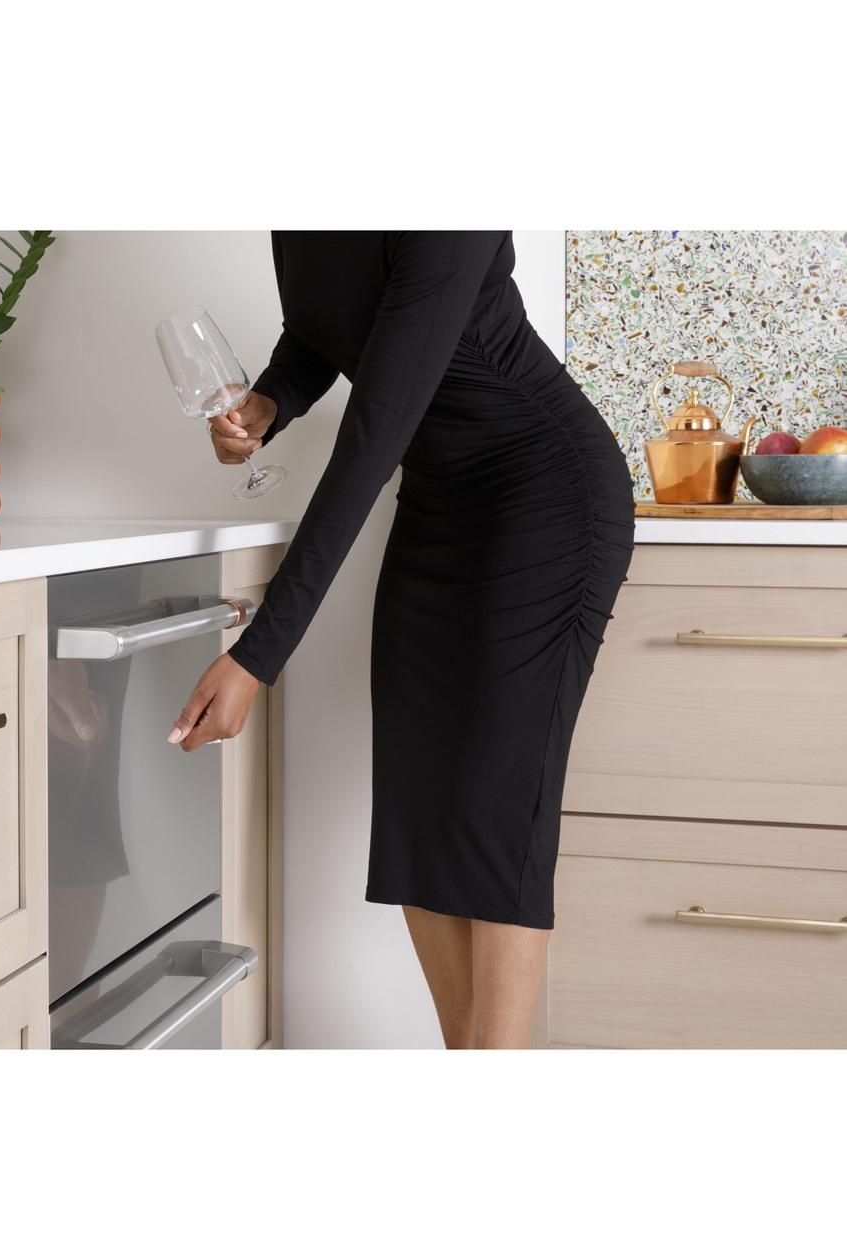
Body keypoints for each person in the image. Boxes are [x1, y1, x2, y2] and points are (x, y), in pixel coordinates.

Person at [166, 232, 634, 1048]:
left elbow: (374, 432)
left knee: (494, 812)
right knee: (418, 812)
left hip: (544, 501)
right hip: (436, 507)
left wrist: (257, 655)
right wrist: (271, 401)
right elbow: (320, 330)